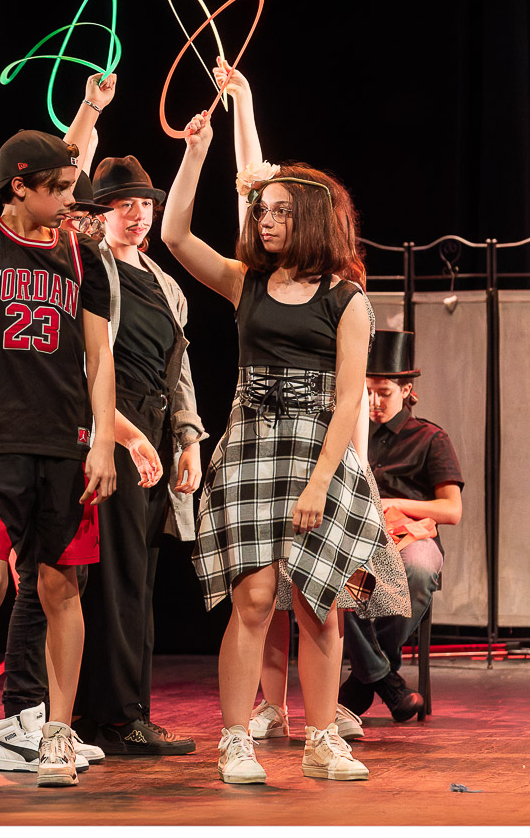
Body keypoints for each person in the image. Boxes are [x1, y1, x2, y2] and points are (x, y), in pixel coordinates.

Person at [161, 106, 408, 785]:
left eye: (278, 211)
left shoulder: (347, 299)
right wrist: (196, 152)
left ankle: (322, 739)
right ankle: (236, 738)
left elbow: (349, 400)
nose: (264, 220)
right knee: (253, 598)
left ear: (311, 219)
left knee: (319, 603)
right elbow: (175, 234)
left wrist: (320, 482)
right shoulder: (246, 282)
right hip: (251, 449)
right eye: (261, 210)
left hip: (316, 454)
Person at [0, 0, 118, 789]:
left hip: (63, 439)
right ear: (20, 186)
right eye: (58, 189)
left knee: (58, 584)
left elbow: (98, 357)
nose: (70, 200)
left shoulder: (80, 255)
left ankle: (56, 730)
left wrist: (104, 439)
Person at [60, 103, 208, 758]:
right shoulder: (89, 266)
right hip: (110, 430)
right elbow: (86, 366)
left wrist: (189, 438)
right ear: (99, 212)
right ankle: (114, 717)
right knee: (113, 575)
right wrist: (90, 111)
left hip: (154, 431)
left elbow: (180, 371)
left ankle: (122, 711)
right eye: (123, 204)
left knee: (139, 576)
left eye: (145, 203)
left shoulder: (167, 287)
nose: (138, 214)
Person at [338, 329, 462, 721]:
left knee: (420, 570)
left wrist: (394, 503)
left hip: (411, 536)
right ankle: (384, 680)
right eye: (368, 392)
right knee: (341, 582)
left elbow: (451, 510)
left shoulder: (430, 438)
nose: (374, 402)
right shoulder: (348, 432)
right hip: (360, 539)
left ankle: (365, 679)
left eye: (384, 393)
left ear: (406, 390)